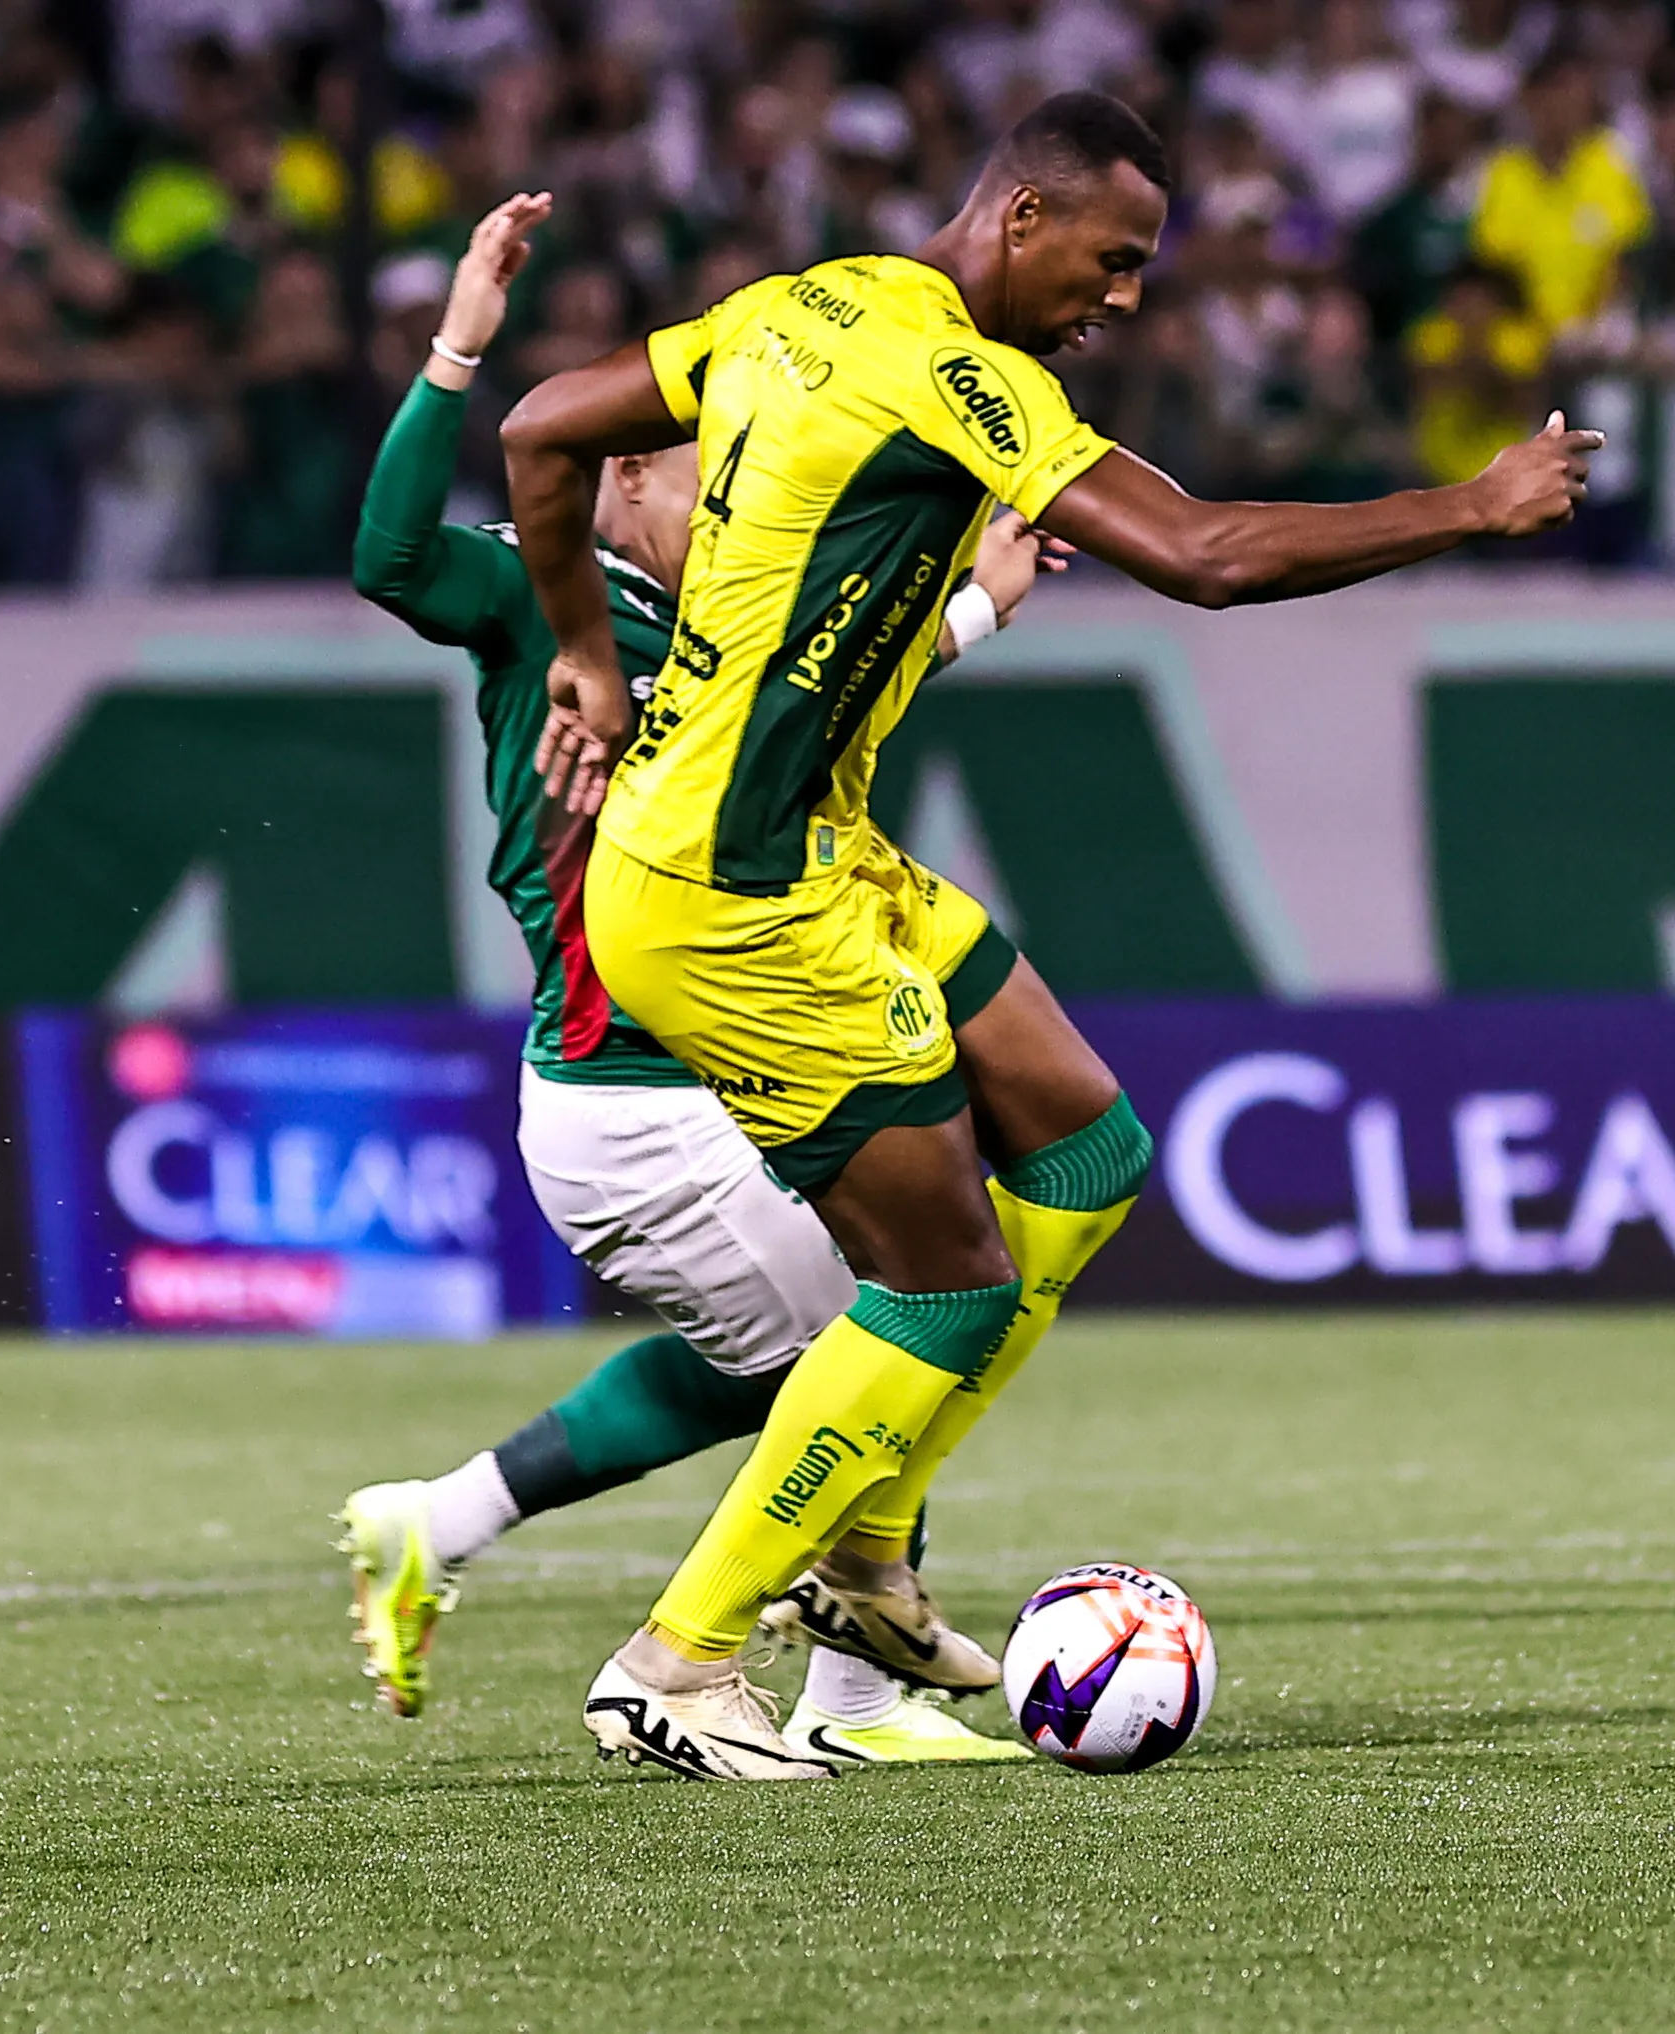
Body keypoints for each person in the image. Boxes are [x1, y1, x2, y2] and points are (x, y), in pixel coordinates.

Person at [501, 89, 1591, 1779]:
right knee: (939, 1282)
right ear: (1019, 217)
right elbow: (1207, 555)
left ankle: (862, 1565)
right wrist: (1470, 503)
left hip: (802, 850)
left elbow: (546, 426)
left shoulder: (800, 304)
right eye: (1115, 256)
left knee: (1083, 1146)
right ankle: (678, 1658)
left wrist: (585, 642)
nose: (1126, 295)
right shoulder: (969, 379)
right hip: (730, 897)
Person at [336, 194, 1058, 1766]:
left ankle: (443, 1520)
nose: (736, 488)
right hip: (628, 1083)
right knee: (906, 1307)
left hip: (706, 1059)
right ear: (628, 472)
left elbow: (847, 679)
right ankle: (792, 1685)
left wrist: (983, 600)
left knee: (844, 1328)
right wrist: (463, 337)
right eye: (704, 466)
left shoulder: (735, 620)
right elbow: (388, 553)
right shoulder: (551, 599)